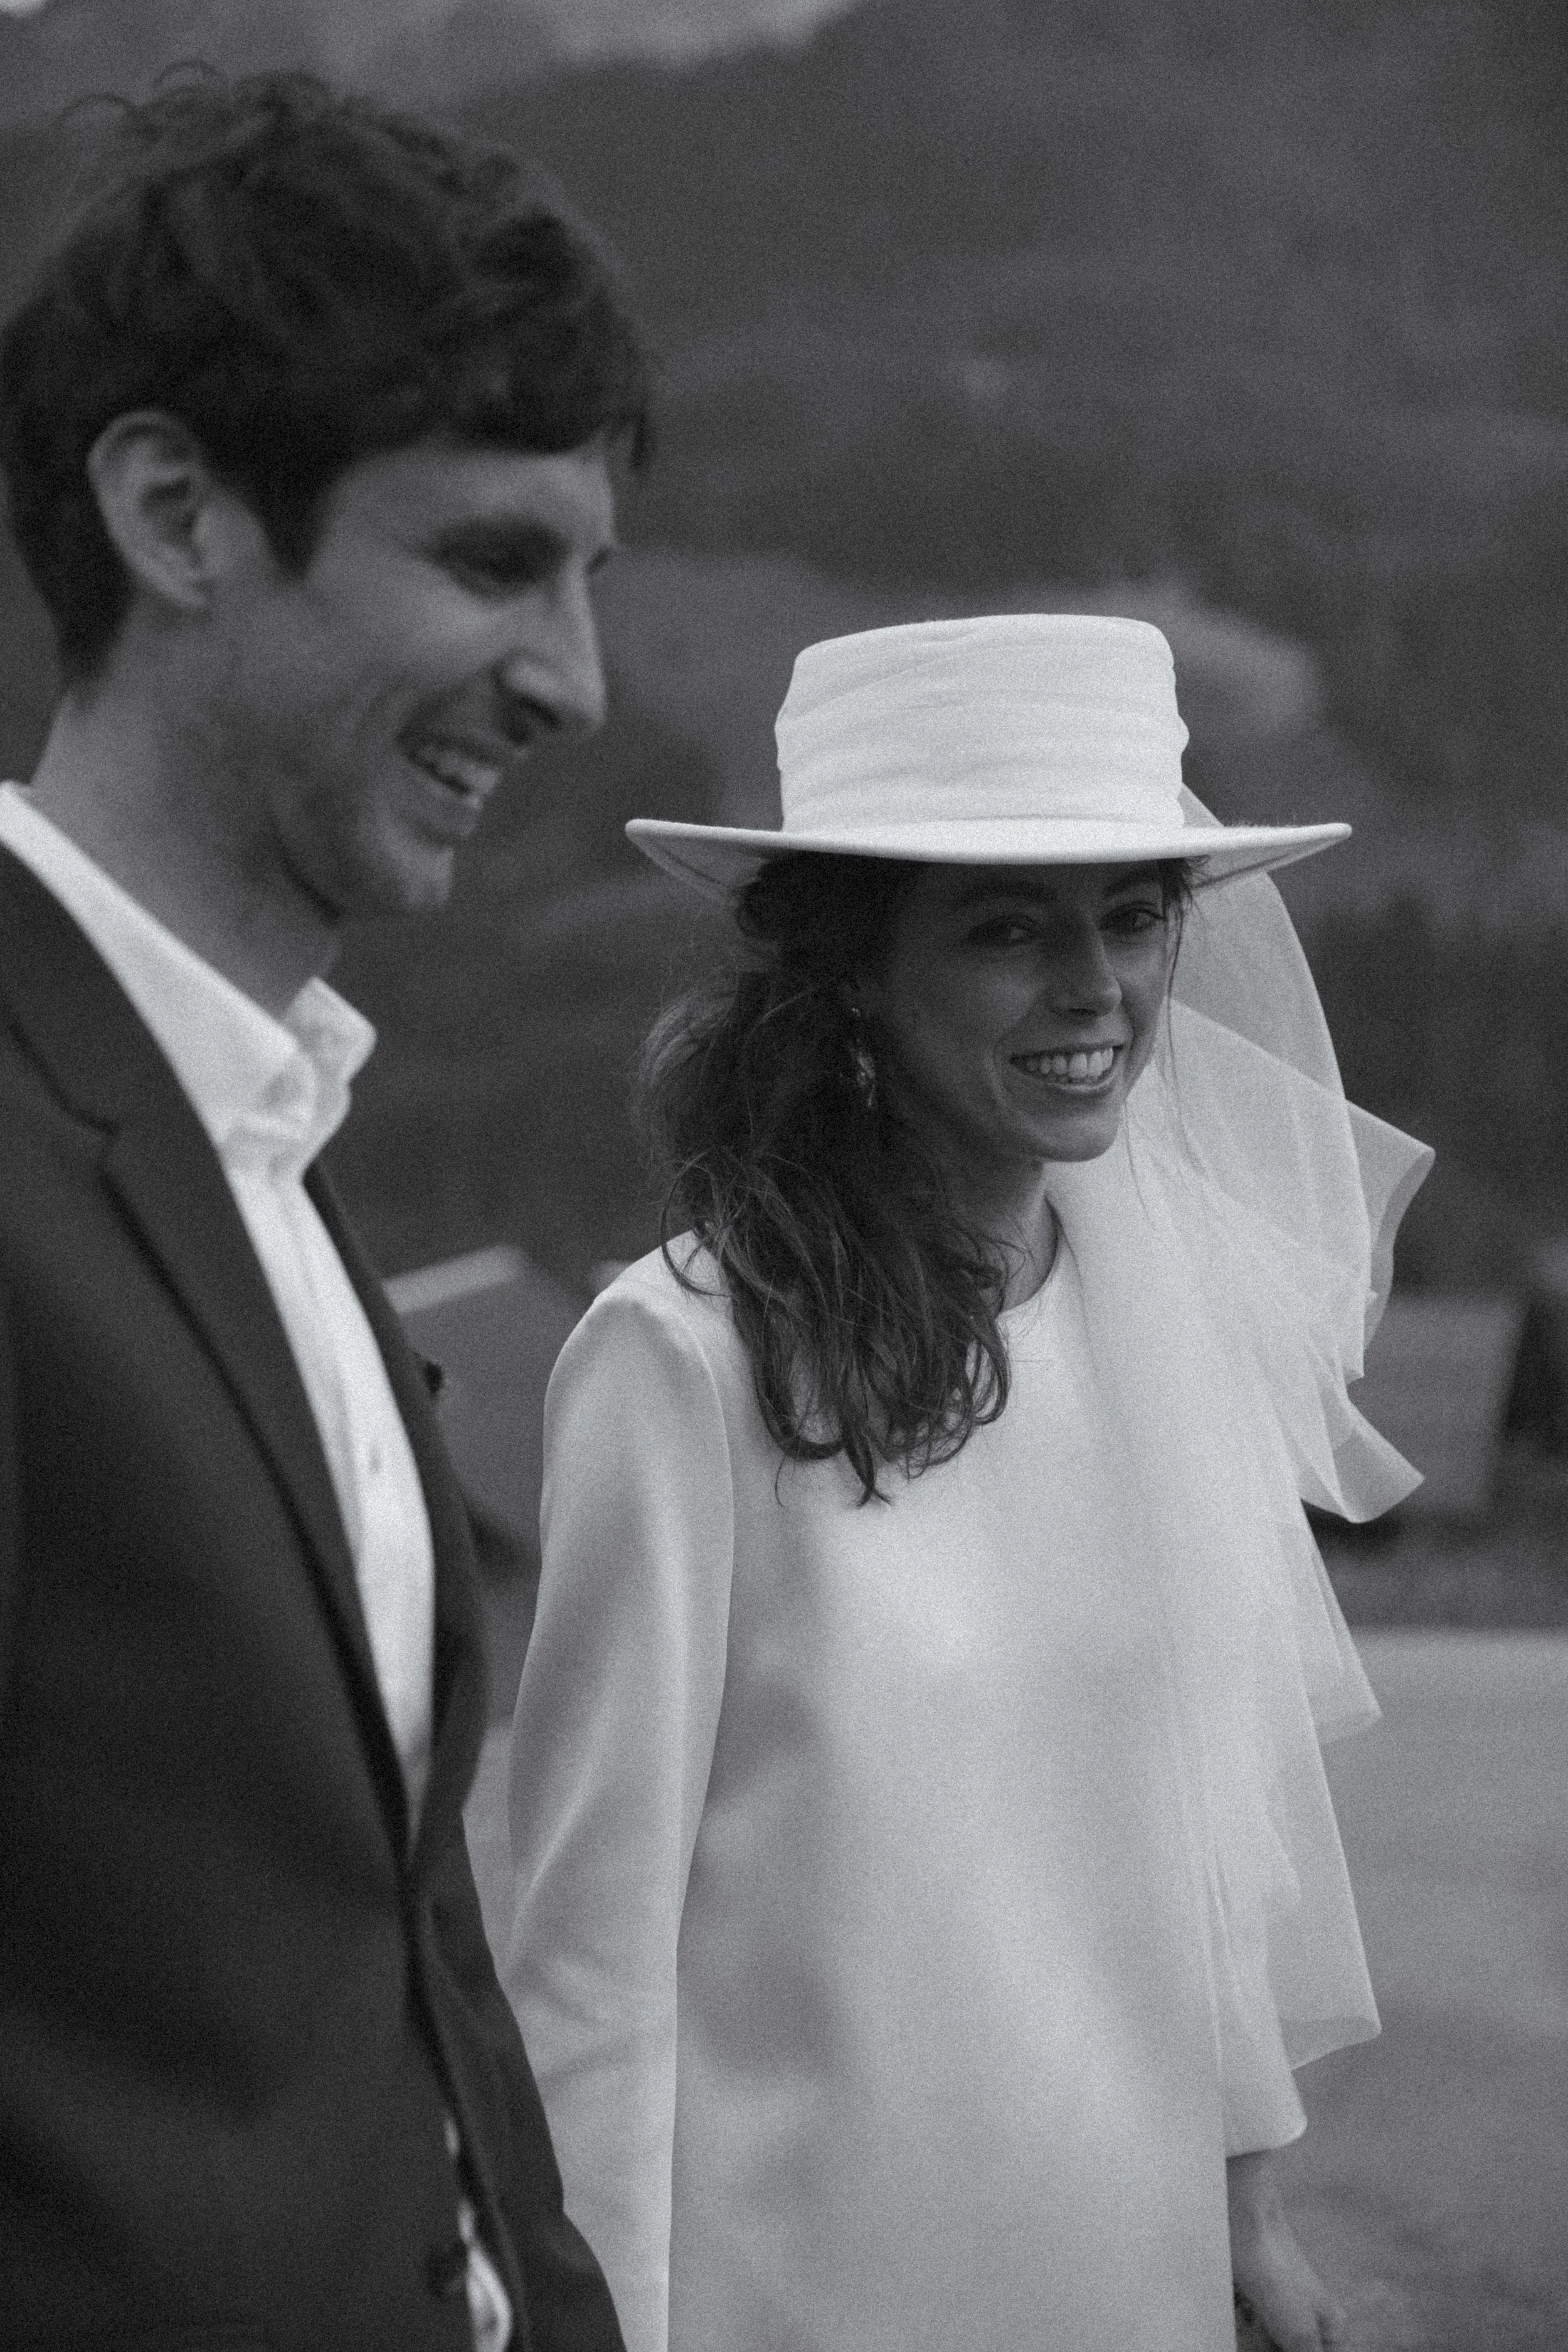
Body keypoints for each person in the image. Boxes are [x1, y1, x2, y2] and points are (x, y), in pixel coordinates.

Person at [479, 614, 1433, 2352]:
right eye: (1007, 928)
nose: (1098, 988)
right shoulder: (682, 1361)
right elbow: (587, 1965)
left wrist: (1243, 2223)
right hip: (812, 2293)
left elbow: (1194, 1835)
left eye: (1132, 915)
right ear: (848, 964)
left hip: (1119, 2276)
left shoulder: (1165, 1312)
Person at [0, 72, 650, 2350]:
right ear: (177, 512)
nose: (577, 678)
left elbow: (389, 1975)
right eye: (490, 560)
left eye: (592, 573)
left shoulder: (259, 1152)